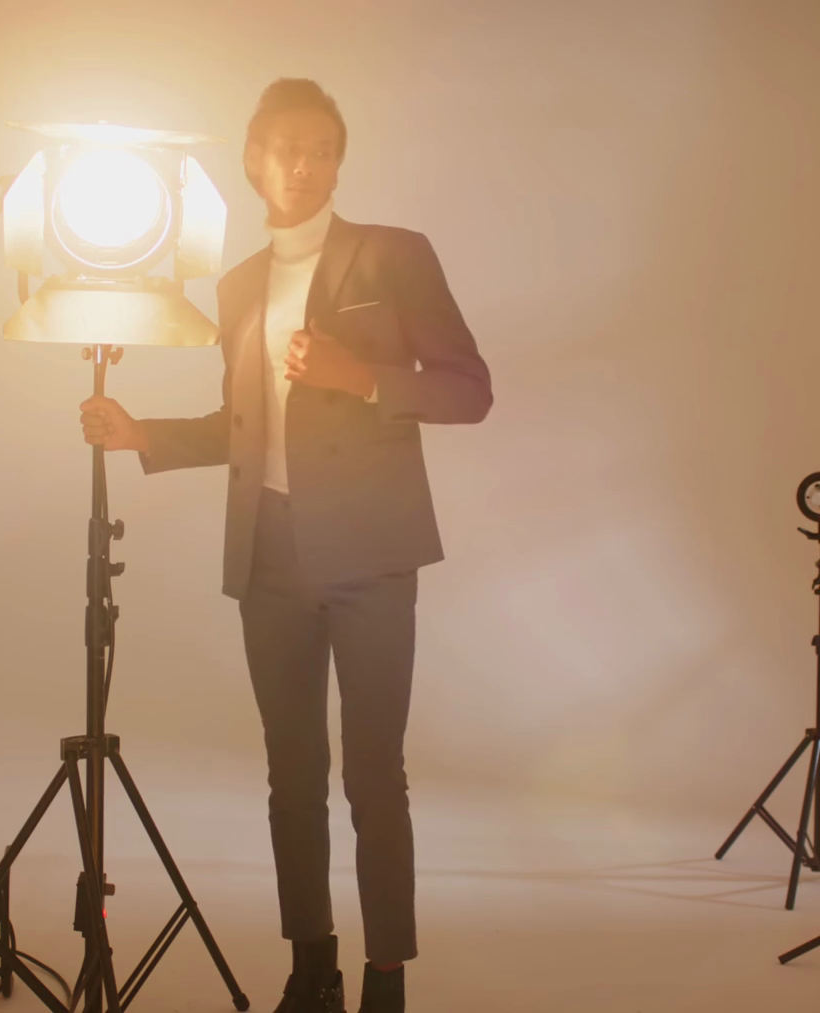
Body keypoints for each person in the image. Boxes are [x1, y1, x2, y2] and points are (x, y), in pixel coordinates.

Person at [80, 78, 491, 1013]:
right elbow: (245, 427)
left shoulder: (393, 255)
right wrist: (143, 434)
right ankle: (314, 969)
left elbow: (470, 389)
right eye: (284, 148)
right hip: (269, 556)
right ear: (253, 162)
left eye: (320, 149)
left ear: (338, 162)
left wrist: (364, 376)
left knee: (374, 776)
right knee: (292, 775)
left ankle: (386, 979)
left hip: (372, 558)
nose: (302, 165)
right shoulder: (237, 286)